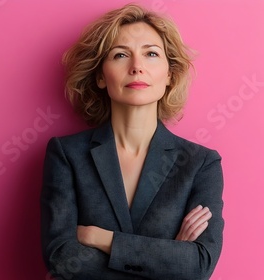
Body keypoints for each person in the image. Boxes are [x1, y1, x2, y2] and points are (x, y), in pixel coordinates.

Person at [40, 4, 224, 280]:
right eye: (121, 55)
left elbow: (198, 266)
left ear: (170, 75)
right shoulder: (67, 154)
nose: (137, 67)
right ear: (101, 76)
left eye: (151, 54)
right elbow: (62, 260)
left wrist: (100, 238)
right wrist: (168, 257)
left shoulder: (201, 163)